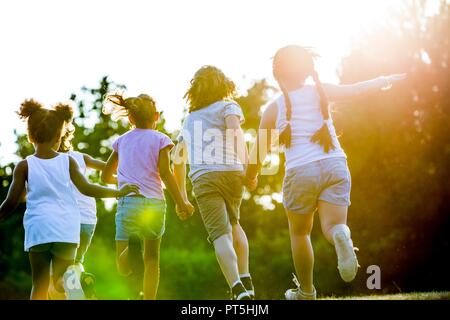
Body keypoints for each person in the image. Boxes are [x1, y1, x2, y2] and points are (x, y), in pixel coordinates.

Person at [245, 45, 406, 300]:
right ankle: (341, 235)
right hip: (335, 164)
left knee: (300, 233)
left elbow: (259, 151)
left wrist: (250, 176)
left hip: (300, 171)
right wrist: (384, 80)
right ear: (307, 70)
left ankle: (306, 292)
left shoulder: (273, 109)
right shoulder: (321, 92)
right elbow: (355, 90)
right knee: (333, 225)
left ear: (277, 75)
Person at [0, 99, 139, 300]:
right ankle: (78, 281)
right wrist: (118, 192)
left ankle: (70, 283)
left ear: (30, 136)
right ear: (59, 136)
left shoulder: (24, 166)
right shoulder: (69, 161)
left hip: (39, 229)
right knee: (63, 278)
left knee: (40, 283)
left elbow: (10, 203)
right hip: (67, 229)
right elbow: (87, 188)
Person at [102, 93, 195, 300]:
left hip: (129, 202)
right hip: (154, 203)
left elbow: (105, 176)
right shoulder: (161, 139)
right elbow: (165, 173)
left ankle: (132, 248)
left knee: (122, 267)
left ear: (130, 119)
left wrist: (124, 181)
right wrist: (181, 202)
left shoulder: (121, 141)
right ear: (156, 116)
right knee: (152, 259)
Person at [173, 66, 254, 300]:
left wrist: (182, 197)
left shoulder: (190, 119)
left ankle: (237, 288)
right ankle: (246, 277)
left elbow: (178, 159)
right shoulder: (229, 106)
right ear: (224, 85)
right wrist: (248, 167)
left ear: (195, 91)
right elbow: (236, 132)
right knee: (235, 224)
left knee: (220, 234)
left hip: (204, 179)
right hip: (232, 174)